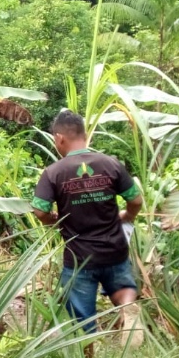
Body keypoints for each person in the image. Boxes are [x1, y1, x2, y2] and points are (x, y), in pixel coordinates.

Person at [31, 110, 144, 344]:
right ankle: (128, 305)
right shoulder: (111, 164)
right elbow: (135, 200)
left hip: (79, 258)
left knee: (82, 321)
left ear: (59, 138)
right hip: (115, 251)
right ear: (83, 135)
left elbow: (40, 211)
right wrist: (126, 216)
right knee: (123, 288)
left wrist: (55, 220)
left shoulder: (53, 173)